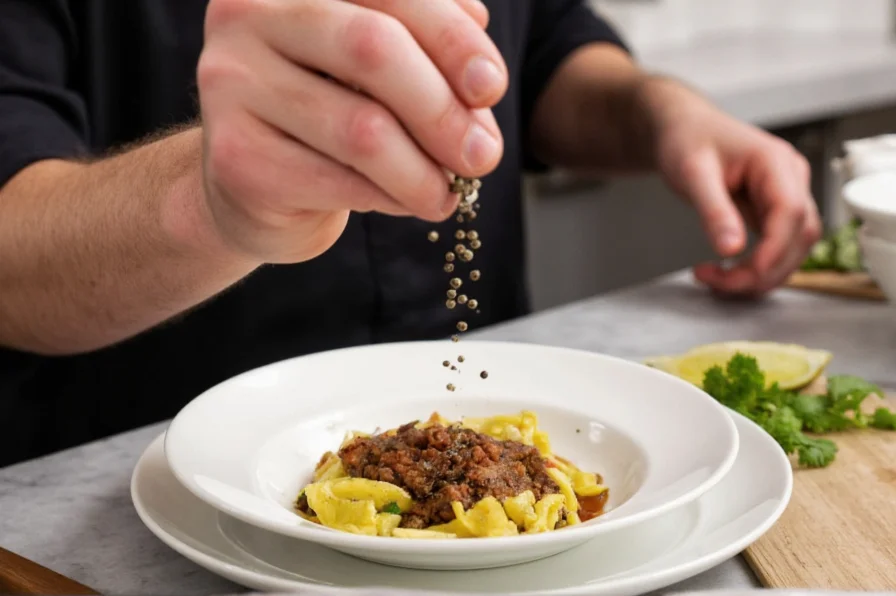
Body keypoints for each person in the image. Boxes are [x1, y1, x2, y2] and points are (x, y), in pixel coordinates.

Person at [0, 0, 820, 467]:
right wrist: (210, 203)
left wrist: (660, 114)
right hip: (122, 502)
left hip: (504, 506)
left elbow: (546, 48)